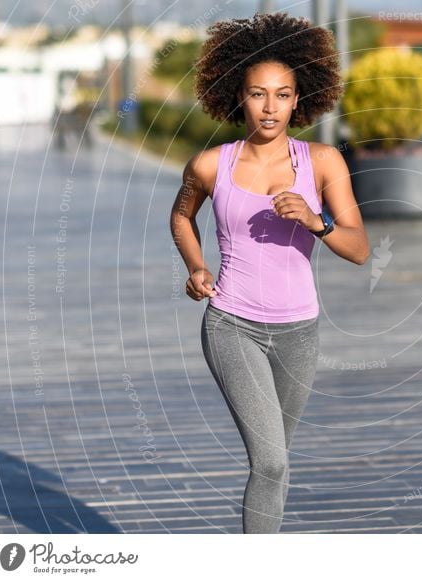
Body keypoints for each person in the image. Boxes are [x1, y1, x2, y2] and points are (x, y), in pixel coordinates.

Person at [169, 12, 369, 534]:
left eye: (282, 94)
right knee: (272, 462)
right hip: (233, 324)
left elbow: (359, 249)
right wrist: (196, 266)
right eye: (258, 94)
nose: (270, 107)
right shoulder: (210, 165)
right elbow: (181, 215)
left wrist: (315, 221)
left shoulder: (322, 162)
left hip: (299, 333)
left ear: (299, 99)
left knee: (274, 464)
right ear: (239, 95)